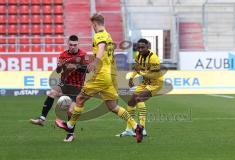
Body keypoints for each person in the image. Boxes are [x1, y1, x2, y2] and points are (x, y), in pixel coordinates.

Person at [55, 13, 144, 143]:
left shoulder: (100, 35)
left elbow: (101, 47)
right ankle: (137, 127)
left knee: (80, 98)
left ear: (95, 24)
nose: (92, 27)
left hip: (101, 76)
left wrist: (95, 62)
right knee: (112, 106)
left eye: (92, 25)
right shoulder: (108, 35)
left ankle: (68, 126)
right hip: (108, 75)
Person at [30, 35, 88, 142]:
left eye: (75, 45)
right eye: (71, 45)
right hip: (64, 83)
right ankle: (42, 119)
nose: (73, 47)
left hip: (77, 86)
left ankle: (71, 134)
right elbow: (57, 71)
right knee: (52, 93)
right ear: (68, 44)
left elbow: (88, 70)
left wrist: (76, 66)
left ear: (78, 44)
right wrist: (60, 66)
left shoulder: (83, 55)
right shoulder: (63, 55)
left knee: (70, 111)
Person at [117, 38, 162, 137]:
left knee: (138, 98)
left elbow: (155, 75)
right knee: (131, 103)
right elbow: (137, 68)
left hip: (155, 84)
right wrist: (131, 77)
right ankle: (129, 129)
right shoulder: (138, 56)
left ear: (148, 47)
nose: (140, 49)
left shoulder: (154, 58)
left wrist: (141, 72)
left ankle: (142, 128)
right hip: (145, 83)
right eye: (139, 47)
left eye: (143, 47)